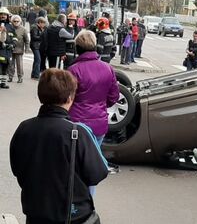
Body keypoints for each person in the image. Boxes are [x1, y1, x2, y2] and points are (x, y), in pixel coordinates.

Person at [9, 68, 108, 224]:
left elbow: (17, 168)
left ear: (40, 96)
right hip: (72, 214)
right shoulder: (78, 132)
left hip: (36, 212)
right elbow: (98, 173)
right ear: (70, 98)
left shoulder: (24, 128)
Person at [68, 30, 120, 178]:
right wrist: (101, 105)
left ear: (77, 48)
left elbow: (66, 98)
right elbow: (114, 96)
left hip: (77, 124)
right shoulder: (107, 68)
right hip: (99, 123)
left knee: (76, 166)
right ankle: (88, 198)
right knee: (92, 165)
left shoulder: (73, 70)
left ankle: (75, 198)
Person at [8, 15, 29, 83]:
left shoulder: (23, 29)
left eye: (17, 21)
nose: (16, 22)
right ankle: (10, 77)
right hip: (10, 49)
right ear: (12, 21)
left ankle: (20, 77)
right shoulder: (9, 28)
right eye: (14, 21)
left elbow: (27, 40)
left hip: (19, 50)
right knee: (11, 64)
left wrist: (27, 49)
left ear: (20, 21)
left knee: (19, 65)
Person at [0, 7, 17, 89]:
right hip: (0, 50)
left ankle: (3, 83)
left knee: (5, 68)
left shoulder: (10, 27)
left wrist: (13, 44)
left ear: (7, 16)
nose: (3, 16)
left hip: (7, 51)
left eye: (4, 15)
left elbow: (15, 37)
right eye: (1, 14)